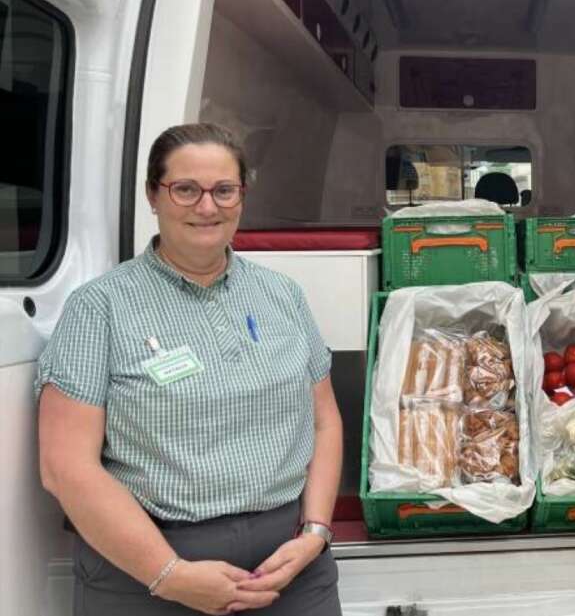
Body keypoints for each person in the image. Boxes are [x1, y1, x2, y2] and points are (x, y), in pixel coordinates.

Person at [36, 123, 344, 615]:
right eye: (185, 189)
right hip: (144, 571)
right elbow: (65, 468)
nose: (207, 207)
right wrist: (170, 575)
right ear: (152, 196)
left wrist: (314, 532)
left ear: (242, 195)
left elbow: (324, 421)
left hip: (289, 567)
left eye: (224, 190)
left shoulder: (282, 295)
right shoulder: (100, 308)